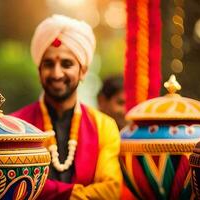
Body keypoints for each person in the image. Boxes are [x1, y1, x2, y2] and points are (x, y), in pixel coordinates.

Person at [12, 14, 122, 200]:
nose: (57, 73)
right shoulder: (16, 126)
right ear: (39, 70)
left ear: (83, 71)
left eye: (66, 64)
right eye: (48, 64)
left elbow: (111, 190)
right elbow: (12, 186)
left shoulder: (104, 126)